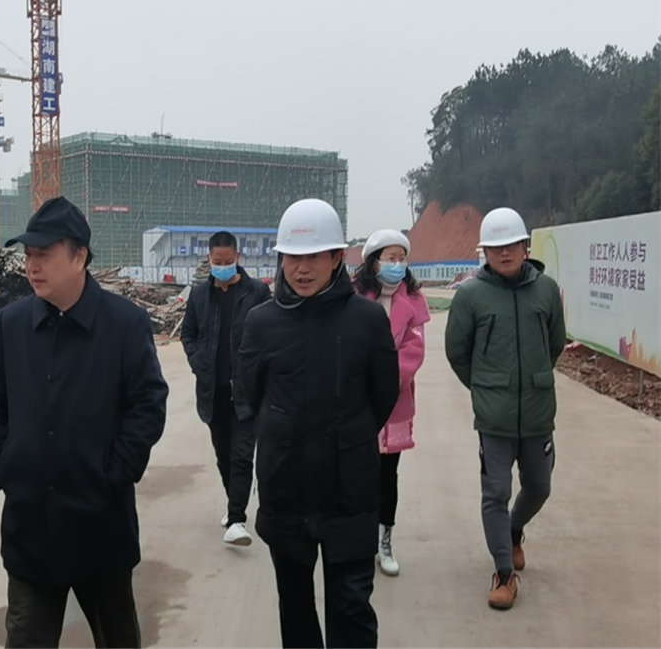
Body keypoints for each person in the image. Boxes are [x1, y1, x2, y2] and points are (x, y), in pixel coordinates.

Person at [0, 196, 169, 649]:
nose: (32, 266)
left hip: (100, 525)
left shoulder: (125, 324)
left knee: (117, 639)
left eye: (43, 254)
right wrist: (5, 465)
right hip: (29, 527)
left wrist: (114, 473)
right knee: (26, 639)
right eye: (28, 255)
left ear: (80, 256)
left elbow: (148, 403)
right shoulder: (12, 324)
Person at [237, 199, 400, 649]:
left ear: (336, 258)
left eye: (313, 256)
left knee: (352, 608)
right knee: (295, 608)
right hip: (285, 489)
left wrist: (347, 436)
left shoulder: (367, 320)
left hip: (351, 491)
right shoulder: (261, 323)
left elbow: (383, 395)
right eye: (292, 257)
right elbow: (249, 395)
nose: (302, 268)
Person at [445, 207, 565, 611]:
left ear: (525, 246)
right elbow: (457, 353)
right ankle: (503, 573)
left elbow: (554, 343)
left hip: (537, 411)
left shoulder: (546, 290)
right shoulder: (471, 296)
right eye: (495, 247)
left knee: (539, 486)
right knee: (495, 492)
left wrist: (532, 381)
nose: (504, 253)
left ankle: (514, 531)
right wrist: (486, 388)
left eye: (511, 244)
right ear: (485, 252)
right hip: (493, 418)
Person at [181, 231, 271, 546]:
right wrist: (198, 362)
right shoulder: (199, 296)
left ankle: (236, 520)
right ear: (209, 259)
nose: (222, 266)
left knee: (242, 455)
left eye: (228, 261)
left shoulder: (257, 293)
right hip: (213, 392)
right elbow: (188, 334)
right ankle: (234, 503)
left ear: (238, 258)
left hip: (247, 391)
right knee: (224, 456)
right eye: (217, 262)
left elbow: (268, 335)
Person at [353, 229, 430, 577]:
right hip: (358, 400)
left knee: (388, 474)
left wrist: (385, 380)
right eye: (390, 258)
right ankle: (361, 538)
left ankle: (385, 540)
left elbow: (414, 349)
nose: (397, 264)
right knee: (358, 472)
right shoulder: (355, 296)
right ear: (374, 262)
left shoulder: (413, 299)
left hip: (395, 400)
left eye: (401, 258)